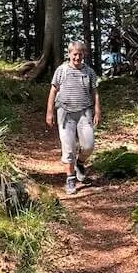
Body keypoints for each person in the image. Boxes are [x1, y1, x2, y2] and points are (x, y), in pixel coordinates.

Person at [46, 41, 101, 195]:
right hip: (65, 113)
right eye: (74, 54)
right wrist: (49, 112)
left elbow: (95, 92)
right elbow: (53, 90)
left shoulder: (89, 72)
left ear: (84, 55)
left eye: (80, 54)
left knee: (89, 145)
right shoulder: (61, 70)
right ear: (69, 54)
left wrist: (97, 110)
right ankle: (70, 178)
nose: (77, 57)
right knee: (68, 147)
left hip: (85, 112)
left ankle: (80, 163)